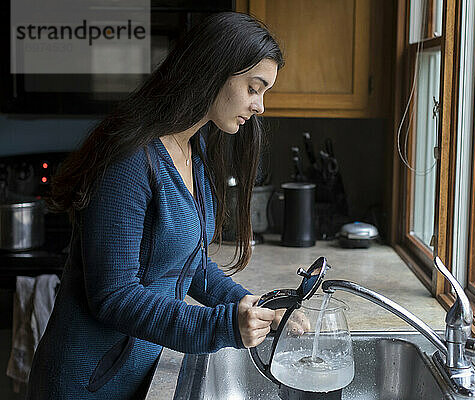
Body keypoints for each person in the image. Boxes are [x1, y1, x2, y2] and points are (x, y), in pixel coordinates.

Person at [27, 12, 284, 399]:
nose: (260, 105)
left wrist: (254, 308)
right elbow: (113, 296)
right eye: (254, 87)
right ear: (215, 70)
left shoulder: (191, 151)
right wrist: (224, 326)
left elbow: (188, 264)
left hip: (135, 375)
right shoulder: (130, 159)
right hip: (87, 385)